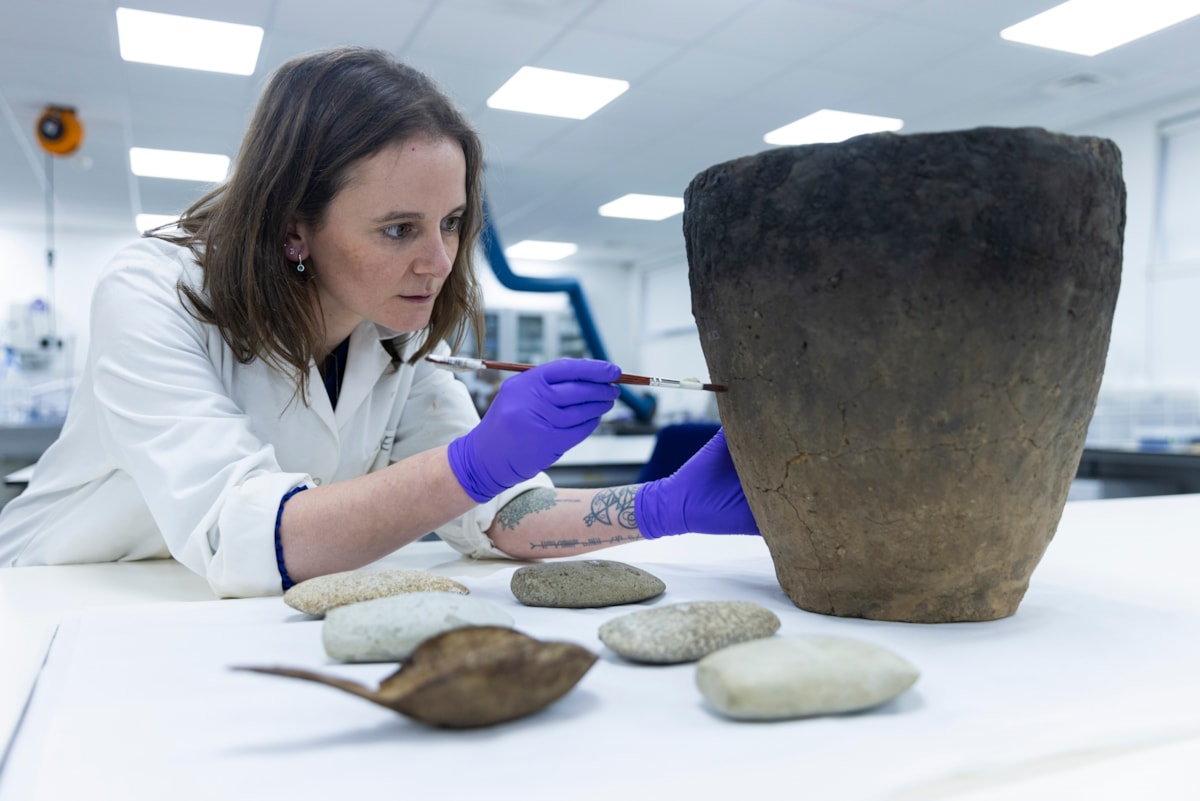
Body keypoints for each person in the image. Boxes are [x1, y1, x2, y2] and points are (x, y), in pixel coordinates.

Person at [0, 47, 757, 598]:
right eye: (399, 229)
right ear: (295, 226)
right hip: (70, 601)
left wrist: (660, 505)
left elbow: (499, 518)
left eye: (453, 221)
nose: (439, 260)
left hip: (231, 612)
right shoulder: (154, 291)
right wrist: (466, 466)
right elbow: (246, 532)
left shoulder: (393, 331)